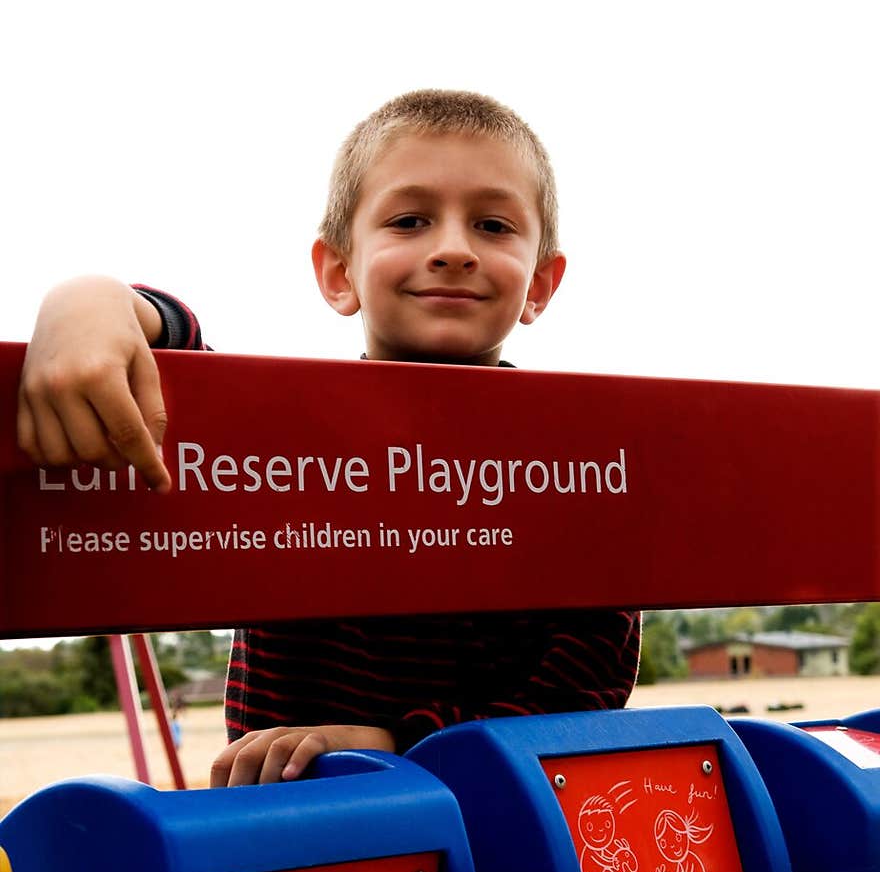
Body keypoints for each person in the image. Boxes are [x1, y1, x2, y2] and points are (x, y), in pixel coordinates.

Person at [16, 88, 642, 790]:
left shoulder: (577, 460)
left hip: (500, 827)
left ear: (540, 284)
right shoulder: (290, 437)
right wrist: (92, 299)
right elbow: (187, 369)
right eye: (410, 219)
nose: (454, 249)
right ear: (339, 273)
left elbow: (587, 680)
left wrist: (398, 742)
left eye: (494, 225)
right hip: (296, 824)